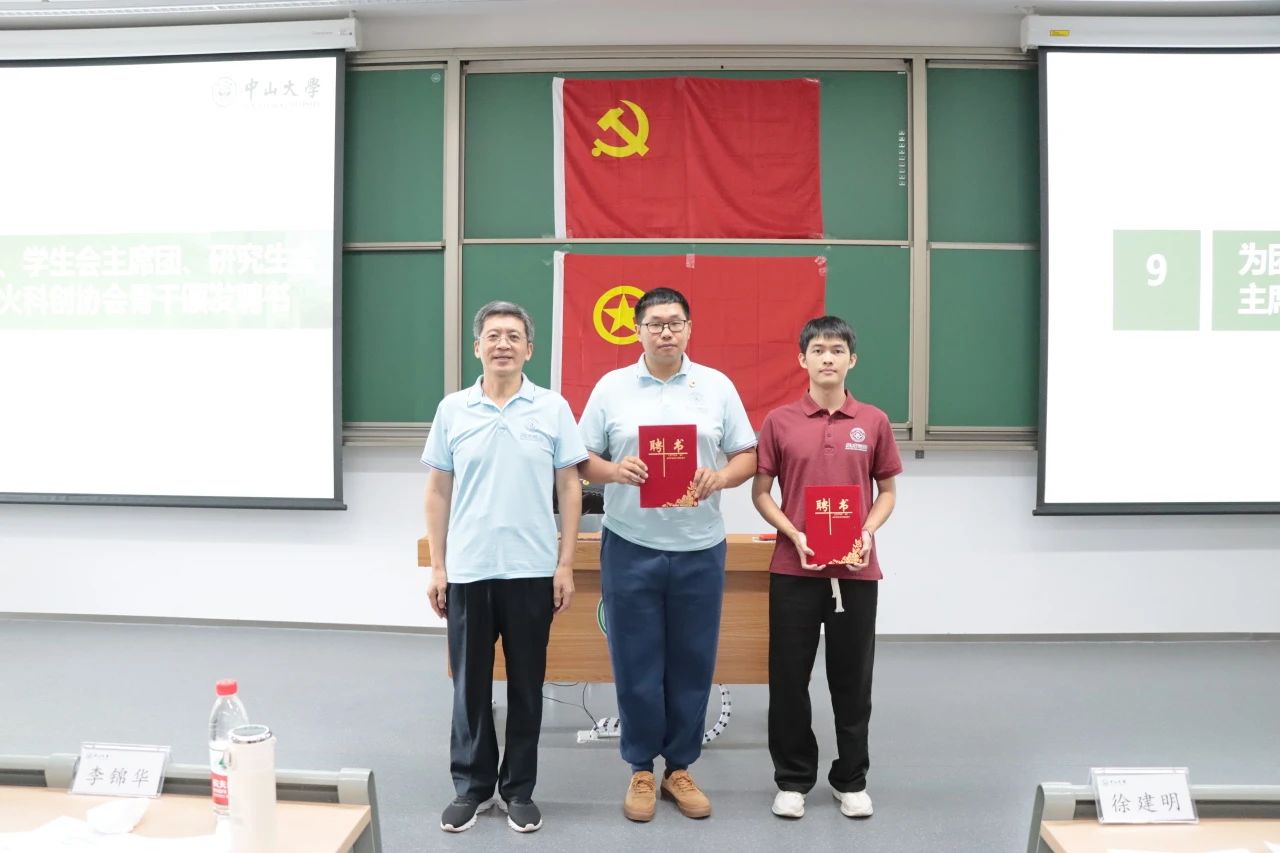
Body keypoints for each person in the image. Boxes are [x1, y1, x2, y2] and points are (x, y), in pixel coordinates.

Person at [578, 287, 757, 822]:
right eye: (655, 323)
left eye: (675, 322)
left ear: (689, 329)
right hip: (630, 544)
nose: (665, 332)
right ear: (637, 330)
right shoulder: (611, 388)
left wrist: (720, 477)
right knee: (635, 661)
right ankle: (639, 767)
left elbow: (747, 455)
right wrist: (615, 471)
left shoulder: (716, 386)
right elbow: (581, 458)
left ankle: (679, 767)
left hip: (699, 546)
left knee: (692, 661)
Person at [422, 300, 587, 834]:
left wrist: (565, 564)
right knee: (469, 687)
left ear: (529, 349)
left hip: (531, 570)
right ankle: (471, 788)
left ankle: (518, 790)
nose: (503, 344)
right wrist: (438, 567)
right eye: (493, 335)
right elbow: (437, 491)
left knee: (526, 686)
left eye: (514, 336)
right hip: (469, 569)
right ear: (477, 347)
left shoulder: (552, 408)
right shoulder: (453, 410)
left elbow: (570, 488)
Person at [751, 315, 902, 821]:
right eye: (818, 350)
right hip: (794, 569)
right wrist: (792, 532)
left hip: (856, 571)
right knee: (788, 679)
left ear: (851, 359)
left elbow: (887, 492)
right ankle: (793, 779)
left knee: (852, 679)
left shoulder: (873, 421)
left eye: (837, 350)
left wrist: (866, 531)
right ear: (803, 359)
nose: (828, 358)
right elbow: (761, 493)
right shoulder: (779, 421)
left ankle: (851, 779)